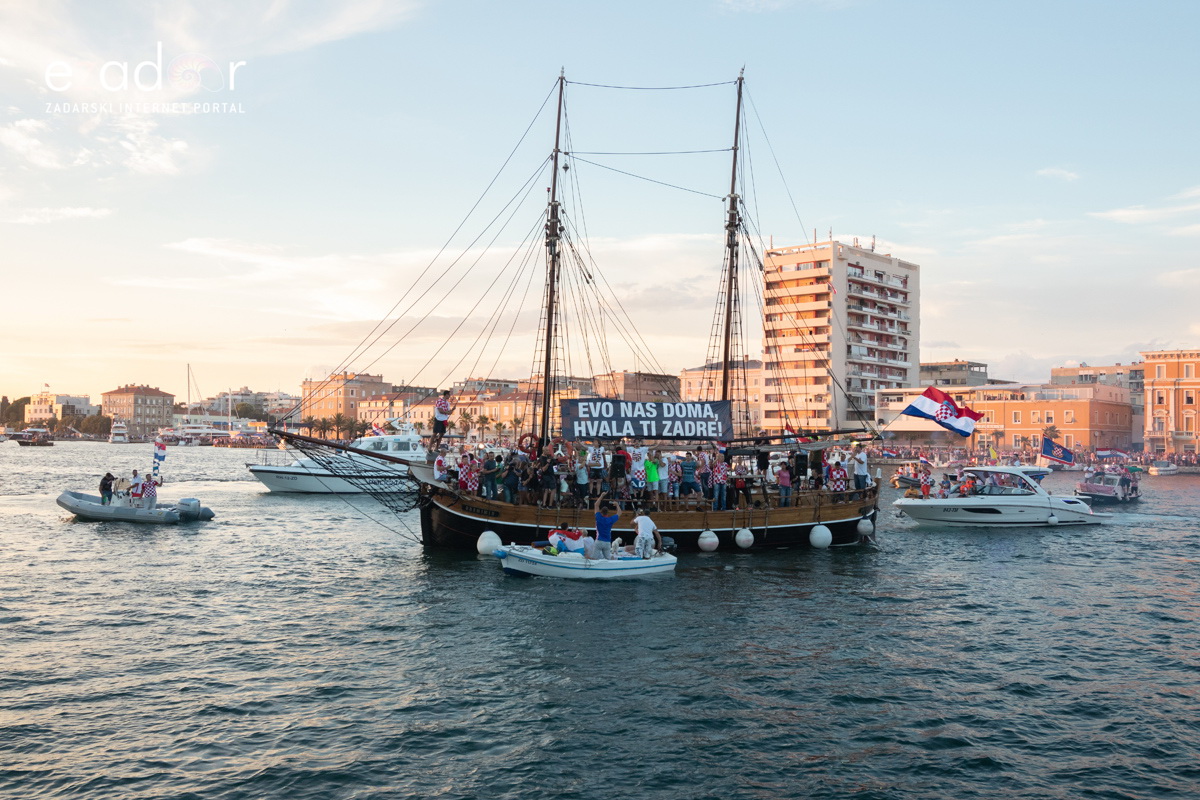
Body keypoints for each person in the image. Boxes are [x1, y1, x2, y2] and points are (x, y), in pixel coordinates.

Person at [592, 491, 619, 560]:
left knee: (593, 559)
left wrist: (601, 495)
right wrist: (617, 505)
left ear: (601, 512)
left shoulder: (598, 517)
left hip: (599, 541)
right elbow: (619, 513)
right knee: (608, 559)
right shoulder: (610, 519)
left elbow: (596, 505)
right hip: (607, 542)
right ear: (608, 513)